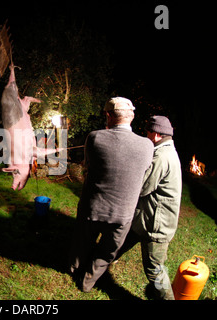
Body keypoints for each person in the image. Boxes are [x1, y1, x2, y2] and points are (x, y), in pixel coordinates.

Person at [69, 97, 154, 293]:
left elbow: (88, 166)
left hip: (93, 207)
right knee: (107, 251)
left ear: (108, 115)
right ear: (131, 117)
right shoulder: (147, 145)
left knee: (82, 241)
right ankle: (88, 282)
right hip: (123, 213)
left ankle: (74, 268)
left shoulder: (95, 137)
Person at [115, 115, 182, 300]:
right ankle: (96, 268)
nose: (146, 135)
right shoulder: (165, 151)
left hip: (155, 225)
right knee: (116, 244)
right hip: (144, 219)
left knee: (155, 269)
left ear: (157, 135)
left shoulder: (161, 156)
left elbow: (143, 187)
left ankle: (167, 298)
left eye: (148, 132)